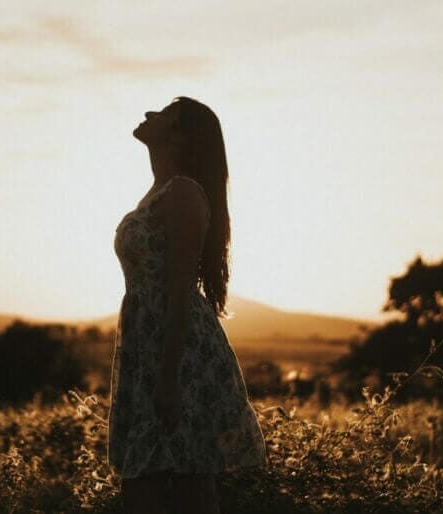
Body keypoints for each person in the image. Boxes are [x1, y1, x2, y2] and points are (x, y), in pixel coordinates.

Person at [109, 96, 267, 513]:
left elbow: (179, 292)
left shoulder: (182, 195)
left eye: (162, 113)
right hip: (149, 349)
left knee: (188, 482)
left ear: (179, 138)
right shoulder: (158, 193)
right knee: (155, 480)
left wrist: (168, 377)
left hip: (177, 353)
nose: (148, 114)